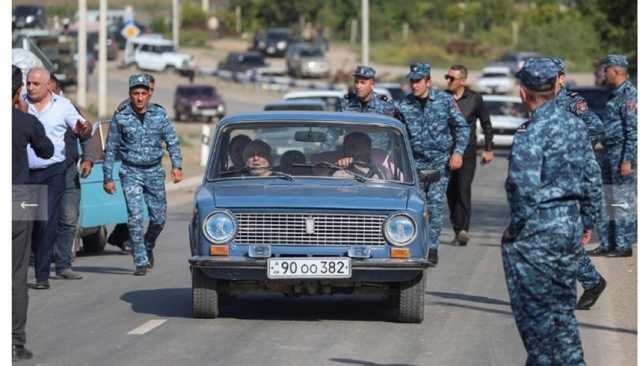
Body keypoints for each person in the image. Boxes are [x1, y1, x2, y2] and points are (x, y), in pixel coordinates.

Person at [502, 57, 601, 365]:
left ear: (523, 92)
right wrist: (588, 220)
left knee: (537, 322)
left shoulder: (530, 133)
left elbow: (523, 189)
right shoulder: (575, 125)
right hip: (569, 227)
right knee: (561, 313)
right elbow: (593, 178)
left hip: (537, 234)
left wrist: (515, 228)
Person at [103, 74, 183, 276]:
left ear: (149, 94)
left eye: (143, 93)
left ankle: (148, 245)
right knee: (135, 217)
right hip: (130, 171)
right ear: (130, 94)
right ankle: (140, 259)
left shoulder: (159, 115)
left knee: (159, 219)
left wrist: (177, 165)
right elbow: (111, 148)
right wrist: (108, 177)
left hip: (154, 171)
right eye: (135, 93)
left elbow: (172, 141)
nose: (139, 98)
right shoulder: (121, 117)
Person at [23, 67, 91, 290]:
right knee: (23, 223)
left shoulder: (63, 106)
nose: (30, 87)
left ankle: (42, 276)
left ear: (48, 85)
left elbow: (81, 126)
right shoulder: (19, 103)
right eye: (28, 83)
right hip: (24, 172)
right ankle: (19, 273)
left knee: (46, 221)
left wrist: (83, 128)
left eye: (35, 84)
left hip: (53, 172)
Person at [398, 63, 470, 265]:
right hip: (413, 164)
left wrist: (458, 152)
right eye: (412, 82)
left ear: (428, 82)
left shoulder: (444, 101)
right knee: (414, 207)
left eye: (418, 82)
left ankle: (432, 247)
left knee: (435, 205)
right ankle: (414, 245)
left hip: (439, 163)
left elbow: (462, 128)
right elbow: (397, 136)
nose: (414, 86)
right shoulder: (404, 105)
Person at [550, 57, 607, 310]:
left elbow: (596, 127)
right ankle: (589, 281)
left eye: (551, 77)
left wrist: (579, 153)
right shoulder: (543, 103)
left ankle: (591, 280)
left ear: (561, 79)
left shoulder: (573, 103)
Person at [12, 65, 54, 361]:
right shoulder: (25, 122)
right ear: (18, 92)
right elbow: (47, 152)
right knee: (15, 275)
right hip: (19, 198)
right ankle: (15, 341)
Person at [589, 54, 637, 258]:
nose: (604, 73)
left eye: (606, 70)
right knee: (606, 197)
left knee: (621, 199)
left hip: (621, 154)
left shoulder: (630, 95)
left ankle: (623, 244)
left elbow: (633, 131)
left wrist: (628, 159)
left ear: (616, 71)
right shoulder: (614, 94)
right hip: (607, 151)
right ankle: (608, 243)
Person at [104, 73, 157, 251]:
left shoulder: (152, 109)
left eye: (151, 90)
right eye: (148, 89)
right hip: (127, 161)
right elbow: (115, 137)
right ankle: (125, 238)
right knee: (134, 205)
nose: (148, 94)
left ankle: (120, 237)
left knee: (139, 204)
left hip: (146, 163)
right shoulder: (125, 108)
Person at [50, 74, 94, 279]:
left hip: (67, 171)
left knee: (68, 218)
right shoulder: (26, 107)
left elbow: (85, 134)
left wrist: (88, 159)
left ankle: (63, 264)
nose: (34, 89)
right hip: (37, 172)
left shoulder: (67, 107)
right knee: (35, 218)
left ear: (56, 87)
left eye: (42, 85)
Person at [444, 64, 494, 246]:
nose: (448, 81)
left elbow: (486, 124)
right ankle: (457, 229)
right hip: (445, 154)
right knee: (450, 193)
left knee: (463, 189)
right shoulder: (442, 98)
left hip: (467, 153)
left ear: (463, 81)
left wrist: (488, 149)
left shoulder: (475, 99)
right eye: (447, 77)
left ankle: (464, 229)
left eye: (452, 78)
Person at [336, 65, 402, 149]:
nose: (358, 86)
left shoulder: (385, 106)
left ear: (372, 84)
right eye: (356, 82)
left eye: (362, 82)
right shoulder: (345, 104)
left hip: (378, 157)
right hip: (351, 156)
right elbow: (333, 132)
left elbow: (395, 136)